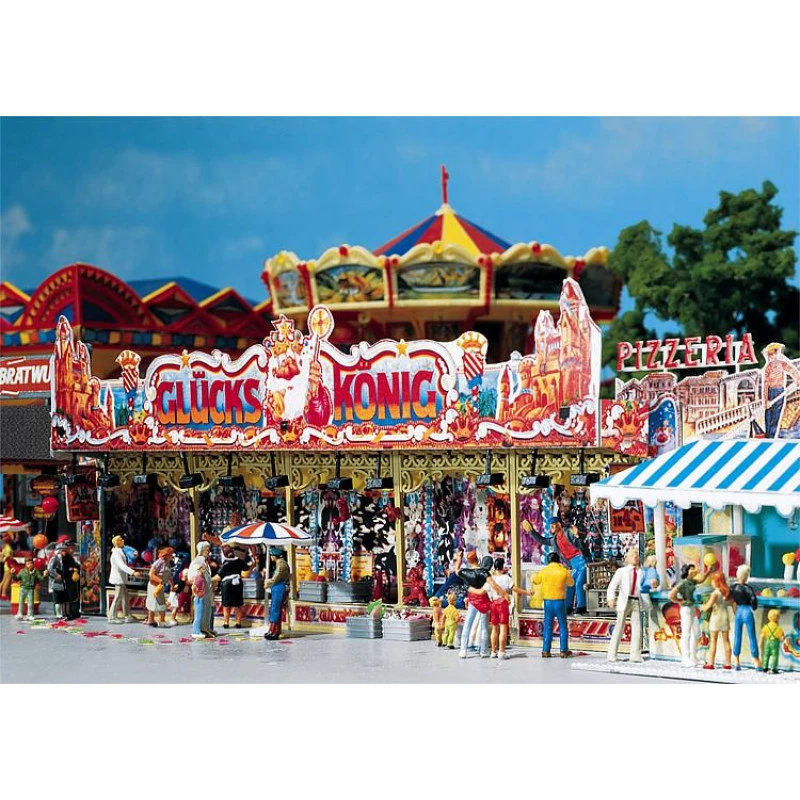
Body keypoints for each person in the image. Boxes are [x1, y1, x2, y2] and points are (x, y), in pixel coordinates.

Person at [485, 557, 532, 659]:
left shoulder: (490, 578)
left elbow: (486, 591)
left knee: (494, 628)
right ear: (502, 566)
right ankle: (501, 652)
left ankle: (493, 651)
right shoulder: (506, 578)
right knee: (503, 628)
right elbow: (514, 588)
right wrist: (527, 592)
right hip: (503, 603)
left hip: (493, 603)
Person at [533, 552, 574, 658]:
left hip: (548, 602)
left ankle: (546, 650)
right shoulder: (563, 571)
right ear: (558, 560)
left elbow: (535, 581)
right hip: (560, 602)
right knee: (563, 626)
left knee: (548, 626)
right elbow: (571, 583)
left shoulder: (544, 571)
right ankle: (563, 650)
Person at [606, 549, 644, 663]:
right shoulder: (622, 571)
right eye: (632, 555)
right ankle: (612, 654)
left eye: (636, 555)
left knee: (637, 628)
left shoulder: (642, 572)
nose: (635, 557)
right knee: (619, 627)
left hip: (636, 601)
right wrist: (611, 598)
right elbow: (612, 586)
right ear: (627, 558)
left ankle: (635, 655)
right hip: (625, 601)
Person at [668, 563, 707, 667]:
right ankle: (685, 658)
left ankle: (693, 656)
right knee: (686, 633)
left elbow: (701, 580)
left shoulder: (691, 581)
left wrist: (708, 572)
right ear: (687, 571)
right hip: (685, 609)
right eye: (691, 569)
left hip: (692, 607)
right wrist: (679, 601)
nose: (694, 571)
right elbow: (671, 595)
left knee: (696, 632)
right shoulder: (683, 583)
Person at [457, 554, 494, 659]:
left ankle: (463, 650)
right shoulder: (484, 573)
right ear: (478, 560)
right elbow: (491, 585)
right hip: (483, 600)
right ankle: (484, 650)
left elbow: (457, 570)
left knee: (467, 625)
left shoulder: (466, 572)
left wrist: (459, 558)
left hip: (473, 600)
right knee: (484, 626)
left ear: (468, 560)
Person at [730, 564, 761, 671]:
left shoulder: (733, 587)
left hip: (738, 612)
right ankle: (756, 661)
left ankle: (736, 661)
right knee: (752, 637)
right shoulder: (748, 588)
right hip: (747, 611)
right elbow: (753, 600)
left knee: (737, 636)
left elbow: (731, 600)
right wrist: (754, 607)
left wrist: (735, 610)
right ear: (747, 576)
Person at [701, 571, 733, 670]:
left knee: (713, 641)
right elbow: (732, 603)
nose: (711, 583)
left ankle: (710, 663)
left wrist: (703, 607)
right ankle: (728, 663)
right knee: (726, 641)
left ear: (717, 581)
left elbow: (708, 606)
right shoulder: (727, 593)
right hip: (725, 617)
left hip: (715, 617)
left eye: (712, 581)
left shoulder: (715, 593)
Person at [188, 541, 216, 637]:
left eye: (208, 550)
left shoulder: (204, 562)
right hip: (201, 592)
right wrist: (197, 590)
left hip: (206, 591)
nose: (208, 552)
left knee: (207, 612)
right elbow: (194, 578)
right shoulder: (198, 562)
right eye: (206, 550)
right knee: (200, 612)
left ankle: (205, 628)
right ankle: (196, 630)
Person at [108, 535, 138, 623]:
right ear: (117, 543)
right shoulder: (117, 553)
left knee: (125, 597)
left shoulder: (120, 551)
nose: (123, 540)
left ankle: (127, 615)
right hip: (118, 579)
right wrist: (132, 572)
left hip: (121, 578)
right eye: (121, 540)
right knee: (118, 598)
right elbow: (122, 566)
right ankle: (112, 617)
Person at [219, 546, 252, 628]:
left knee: (226, 605)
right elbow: (246, 568)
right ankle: (238, 623)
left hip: (227, 584)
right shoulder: (239, 561)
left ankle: (226, 623)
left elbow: (220, 573)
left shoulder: (225, 563)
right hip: (238, 583)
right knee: (238, 604)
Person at [146, 546, 176, 628]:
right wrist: (160, 580)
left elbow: (169, 576)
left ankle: (157, 620)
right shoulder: (159, 562)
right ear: (166, 555)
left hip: (160, 586)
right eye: (171, 554)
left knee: (160, 602)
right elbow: (151, 574)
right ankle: (155, 620)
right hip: (154, 585)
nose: (172, 556)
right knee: (155, 602)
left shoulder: (168, 563)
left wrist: (172, 585)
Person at [264, 546, 290, 640]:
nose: (271, 557)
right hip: (277, 587)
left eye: (271, 555)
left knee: (275, 609)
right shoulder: (279, 563)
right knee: (275, 609)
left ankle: (273, 631)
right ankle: (274, 630)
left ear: (275, 556)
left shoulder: (281, 565)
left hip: (280, 587)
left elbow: (276, 578)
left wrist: (267, 583)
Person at [47, 544, 70, 619]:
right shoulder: (54, 559)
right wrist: (56, 575)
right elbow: (50, 569)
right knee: (57, 599)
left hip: (63, 581)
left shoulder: (65, 559)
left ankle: (63, 613)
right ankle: (58, 614)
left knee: (62, 599)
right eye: (63, 551)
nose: (65, 552)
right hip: (56, 581)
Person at [759, 608, 784, 675]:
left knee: (766, 655)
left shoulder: (766, 627)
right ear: (778, 618)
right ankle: (773, 668)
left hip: (767, 642)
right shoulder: (779, 628)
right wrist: (782, 639)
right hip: (774, 643)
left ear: (768, 617)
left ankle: (765, 667)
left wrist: (760, 643)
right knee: (774, 656)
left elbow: (762, 636)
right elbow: (781, 638)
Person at [0, 533, 15, 600]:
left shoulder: (4, 547)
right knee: (7, 580)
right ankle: (3, 594)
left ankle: (2, 593)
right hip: (9, 565)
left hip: (6, 565)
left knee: (4, 580)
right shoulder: (8, 548)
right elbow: (8, 557)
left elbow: (2, 558)